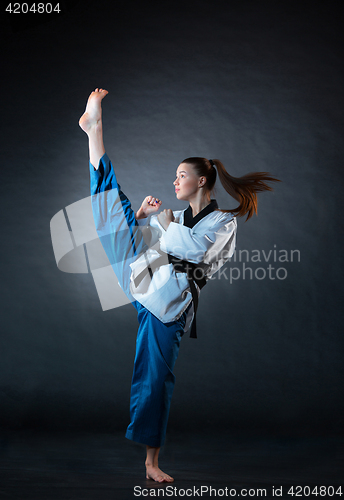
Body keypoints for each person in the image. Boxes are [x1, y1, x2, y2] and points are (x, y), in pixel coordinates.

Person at [79, 88, 280, 483]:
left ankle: (151, 464)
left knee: (154, 379)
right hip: (142, 275)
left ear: (202, 180)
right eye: (174, 176)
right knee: (110, 211)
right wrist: (138, 216)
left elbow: (198, 254)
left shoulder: (222, 223)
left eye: (181, 175)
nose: (174, 181)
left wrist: (167, 224)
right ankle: (93, 132)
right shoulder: (171, 217)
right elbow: (151, 240)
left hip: (167, 304)